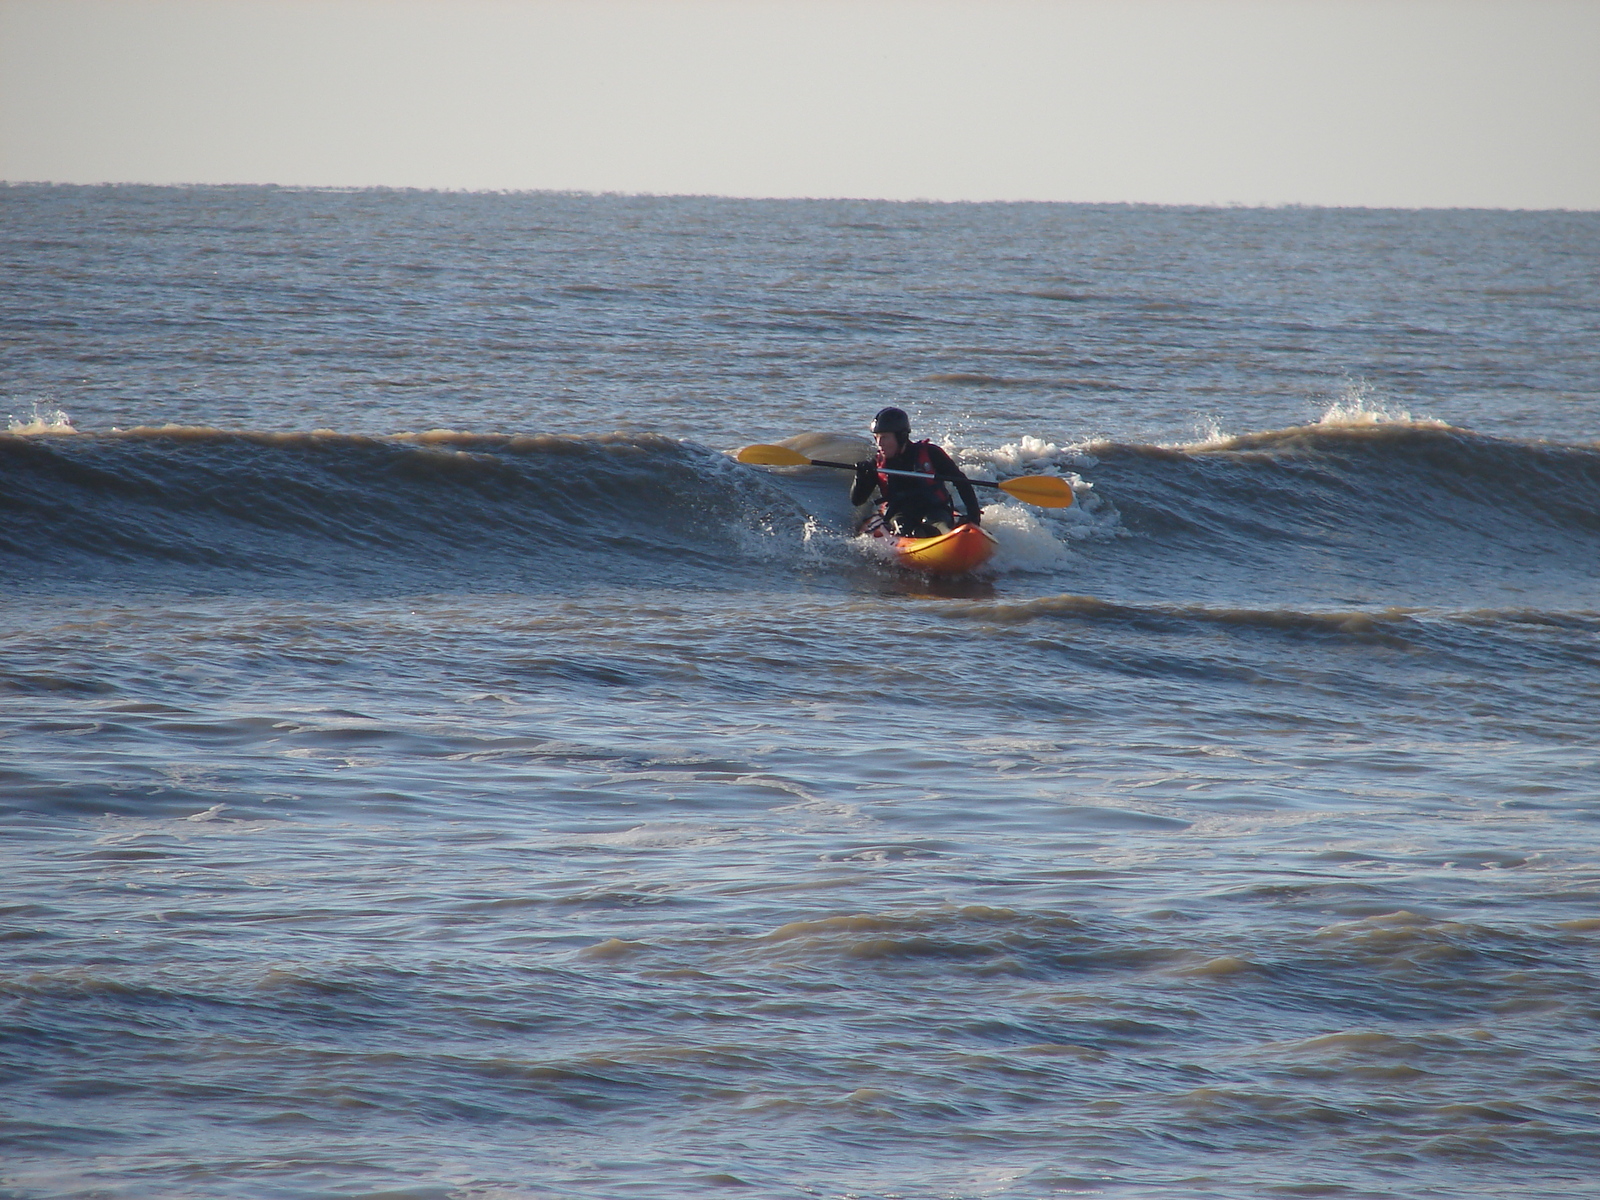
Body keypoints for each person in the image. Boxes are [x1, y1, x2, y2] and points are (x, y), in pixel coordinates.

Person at [850, 406, 982, 537]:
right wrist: (860, 476)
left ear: (901, 437)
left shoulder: (931, 453)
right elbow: (857, 501)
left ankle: (945, 537)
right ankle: (916, 538)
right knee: (902, 526)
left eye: (884, 437)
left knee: (939, 524)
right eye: (876, 437)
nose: (879, 443)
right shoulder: (877, 464)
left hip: (934, 508)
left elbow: (961, 482)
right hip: (900, 513)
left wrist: (973, 516)